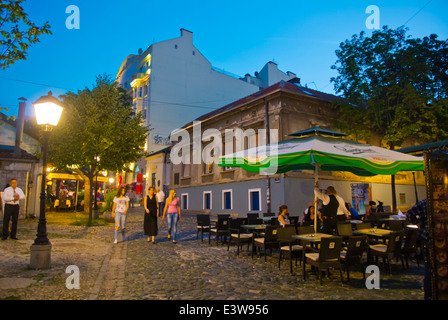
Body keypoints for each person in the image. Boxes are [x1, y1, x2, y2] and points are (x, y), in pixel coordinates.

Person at [406, 199, 431, 299]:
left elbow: (409, 214)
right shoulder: (426, 203)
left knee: (429, 269)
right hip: (429, 238)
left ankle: (429, 295)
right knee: (429, 269)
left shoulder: (425, 202)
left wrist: (419, 222)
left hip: (427, 237)